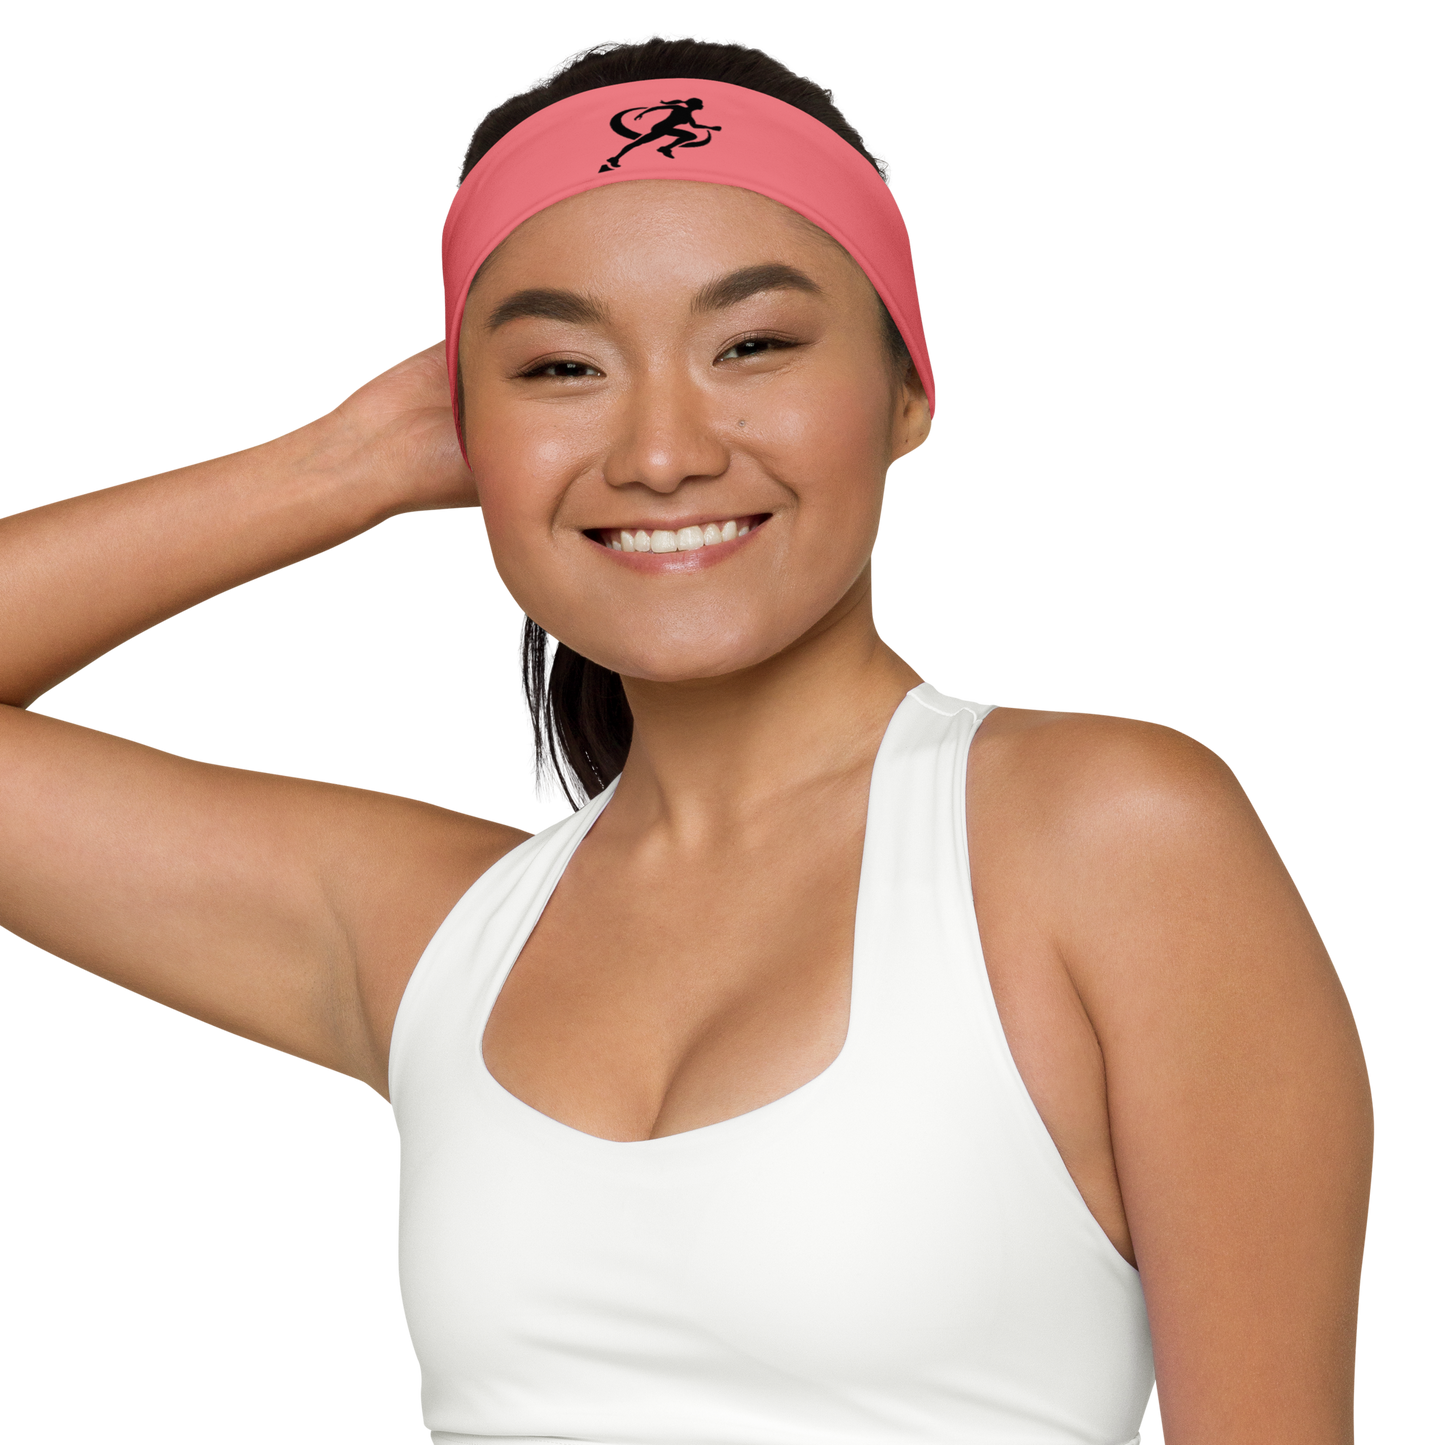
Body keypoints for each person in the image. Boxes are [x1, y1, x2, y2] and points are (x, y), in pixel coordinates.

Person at [0, 29, 1373, 1445]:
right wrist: (338, 466)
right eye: (560, 368)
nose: (662, 450)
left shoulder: (1111, 835)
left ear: (908, 395)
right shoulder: (442, 940)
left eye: (755, 344)